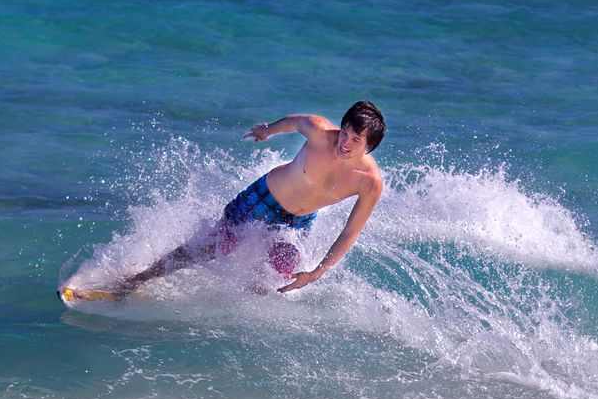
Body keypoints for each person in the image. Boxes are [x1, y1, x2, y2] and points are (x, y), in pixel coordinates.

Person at [59, 100, 385, 301]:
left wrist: (316, 273)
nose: (344, 142)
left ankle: (226, 313)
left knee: (272, 279)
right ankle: (130, 283)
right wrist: (267, 131)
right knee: (208, 248)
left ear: (369, 147)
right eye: (344, 132)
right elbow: (295, 122)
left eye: (355, 140)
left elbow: (348, 233)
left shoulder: (369, 184)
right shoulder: (318, 132)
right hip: (265, 198)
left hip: (298, 222)